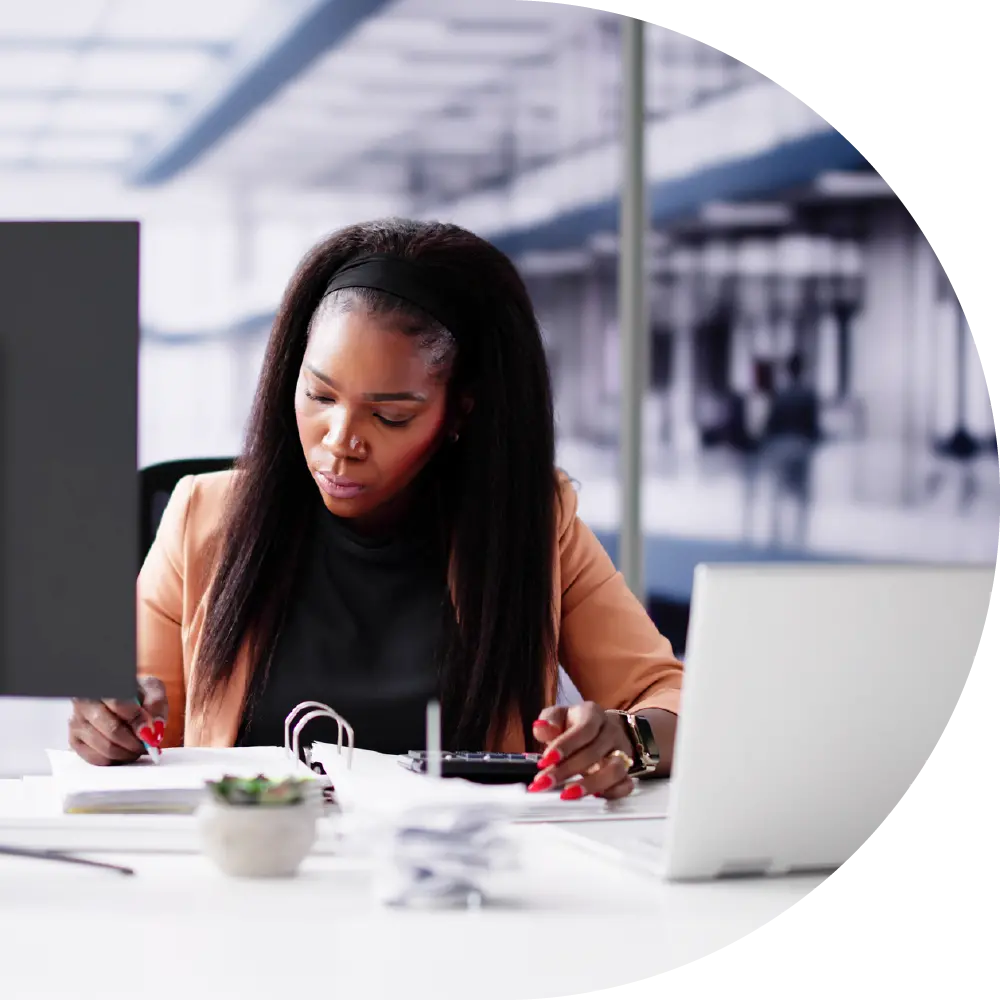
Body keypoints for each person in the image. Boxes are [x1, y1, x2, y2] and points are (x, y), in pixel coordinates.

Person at [68, 219, 684, 802]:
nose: (340, 441)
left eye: (391, 415)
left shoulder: (531, 525)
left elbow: (673, 698)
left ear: (459, 413)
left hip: (451, 875)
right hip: (259, 871)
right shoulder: (200, 515)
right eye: (318, 394)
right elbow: (143, 731)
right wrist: (111, 726)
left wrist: (631, 742)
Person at [759, 352, 822, 549]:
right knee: (801, 494)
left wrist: (766, 445)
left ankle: (775, 534)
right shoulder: (808, 394)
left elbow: (770, 423)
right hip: (801, 445)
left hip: (781, 445)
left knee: (778, 491)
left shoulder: (780, 395)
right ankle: (799, 536)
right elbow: (813, 425)